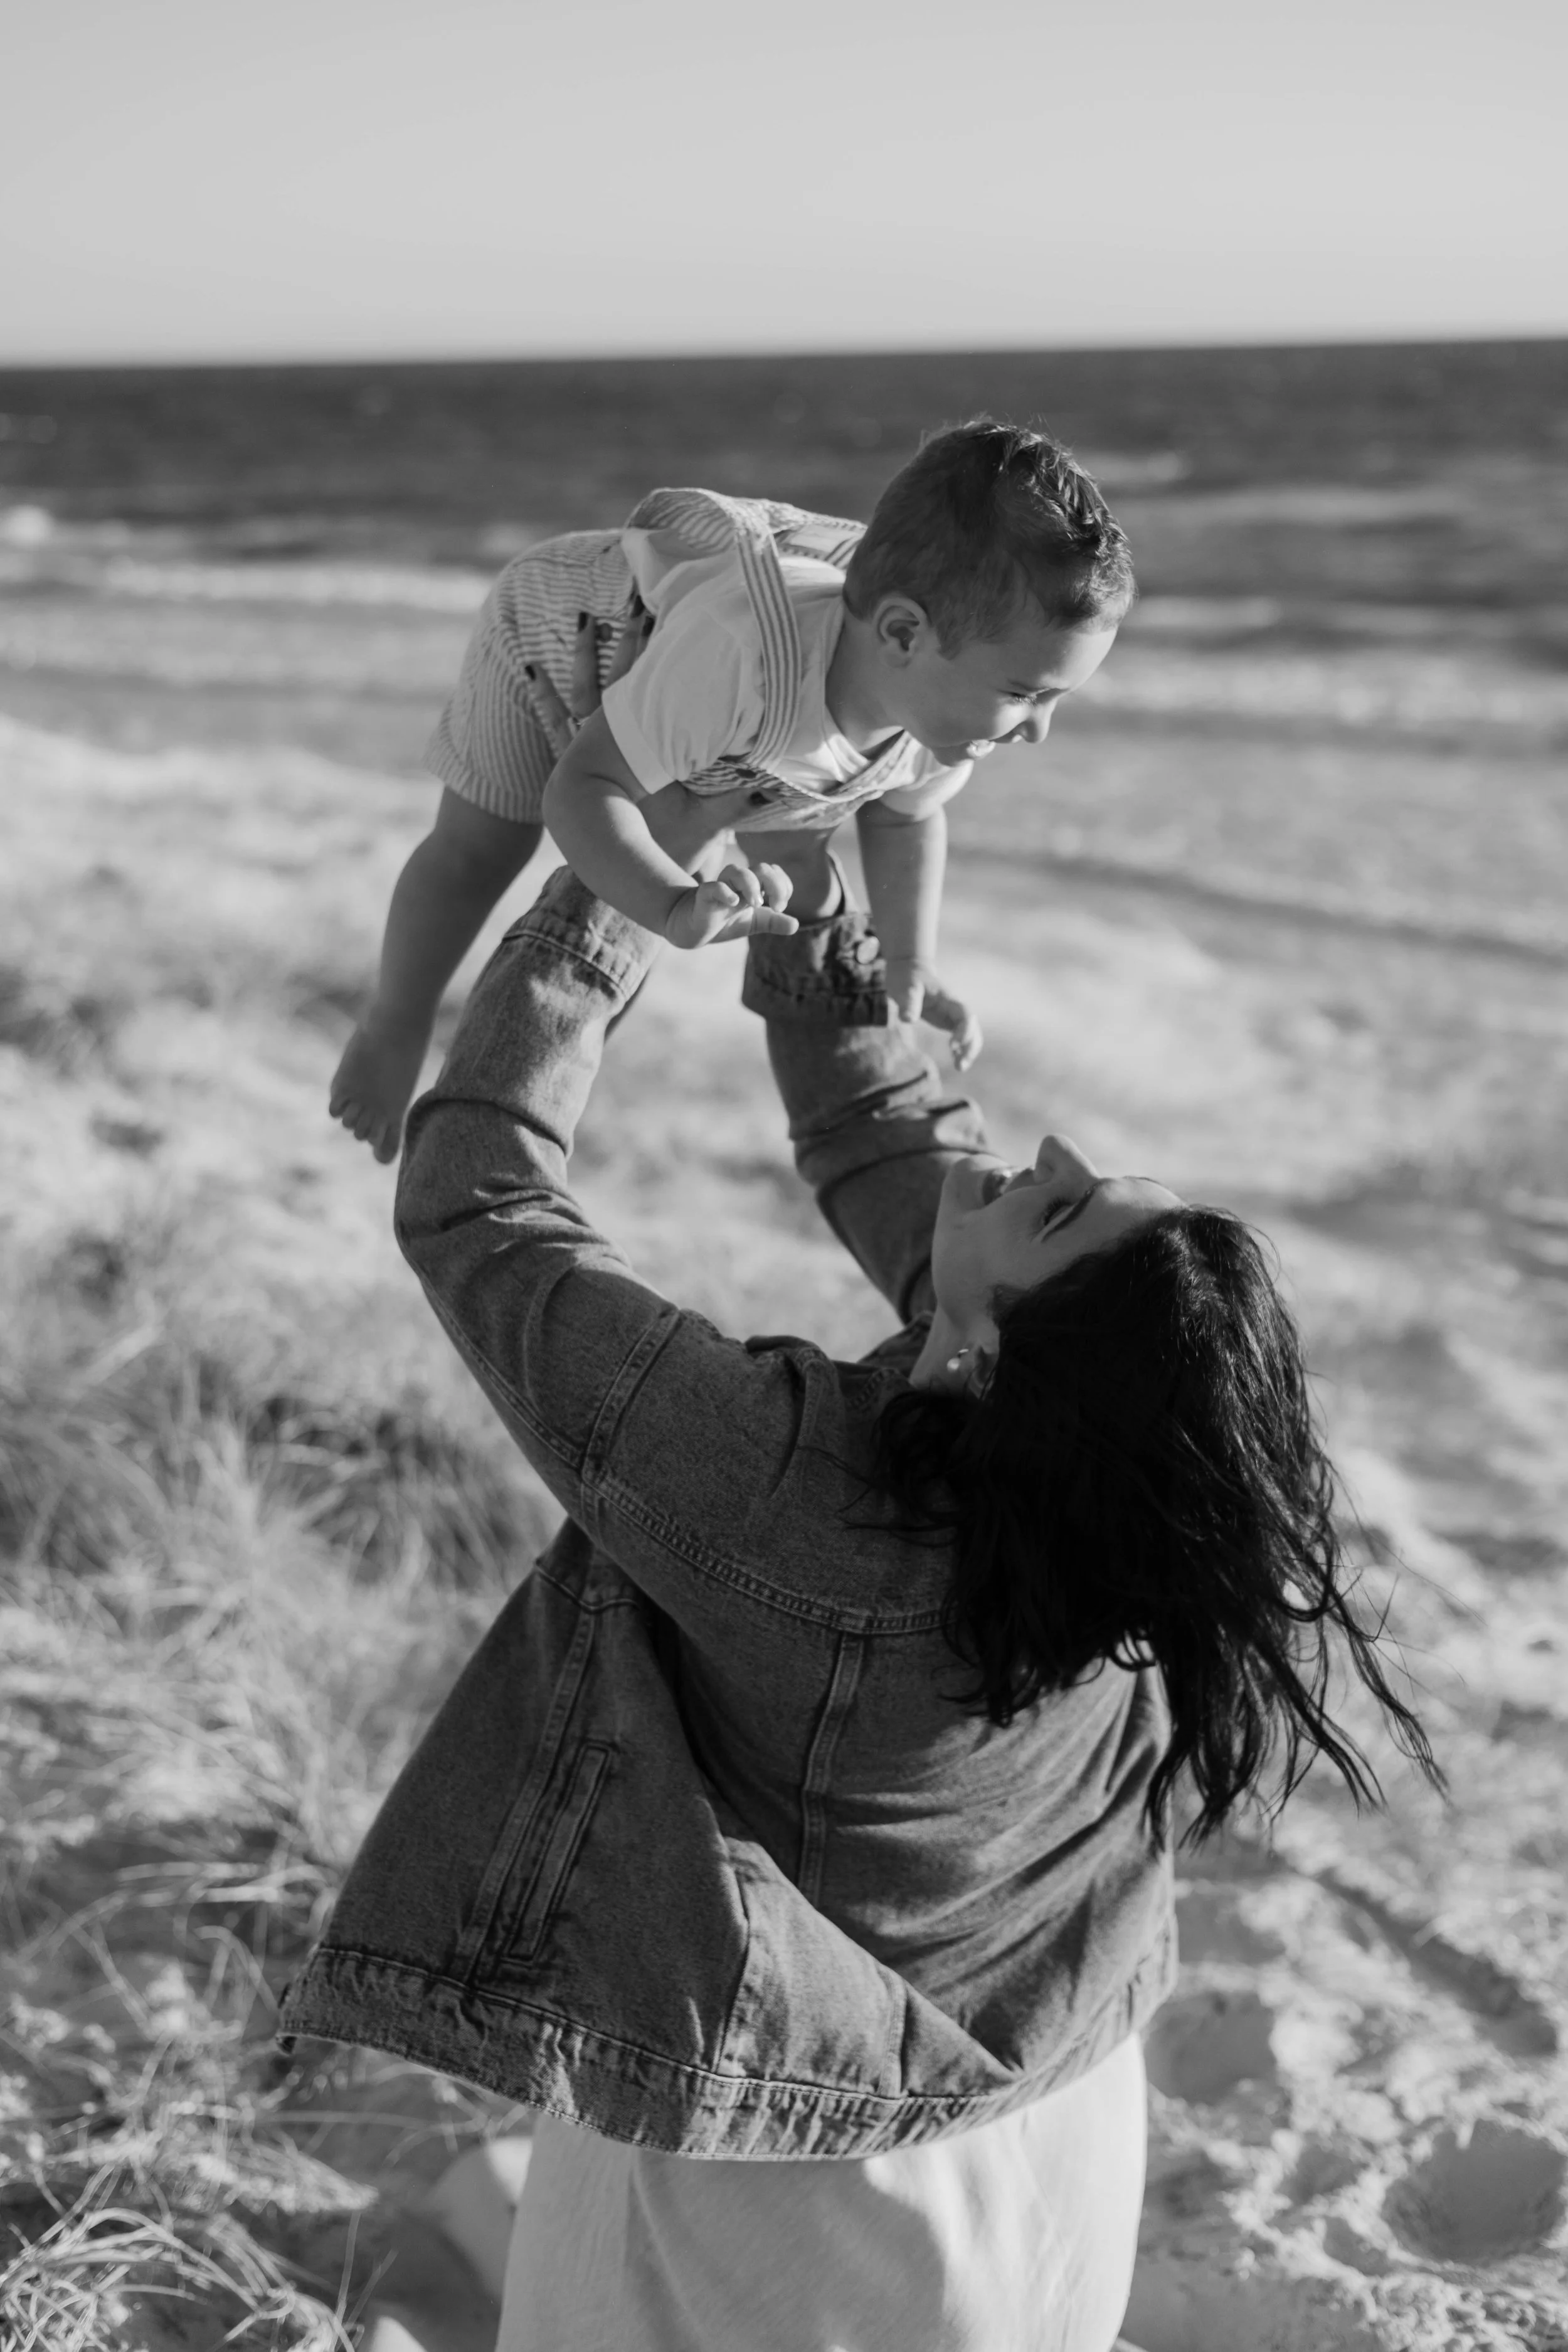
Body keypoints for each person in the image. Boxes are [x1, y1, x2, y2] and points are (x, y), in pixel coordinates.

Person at [282, 617, 1438, 2352]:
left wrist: (617, 882)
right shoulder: (1121, 1499)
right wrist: (825, 941)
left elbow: (478, 1205)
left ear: (981, 1345)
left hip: (788, 2189)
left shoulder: (784, 1489)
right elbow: (911, 1164)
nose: (1025, 1149)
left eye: (1051, 1203)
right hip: (1047, 2130)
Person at [328, 420, 1130, 1162]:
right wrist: (670, 901)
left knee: (775, 847)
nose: (1038, 730)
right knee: (484, 847)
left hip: (722, 734)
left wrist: (908, 961)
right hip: (559, 626)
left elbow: (906, 818)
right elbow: (582, 788)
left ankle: (556, 1082)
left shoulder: (941, 713)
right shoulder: (740, 656)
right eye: (1027, 693)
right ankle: (393, 1023)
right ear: (900, 633)